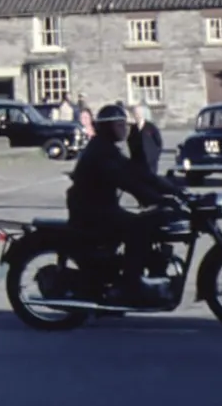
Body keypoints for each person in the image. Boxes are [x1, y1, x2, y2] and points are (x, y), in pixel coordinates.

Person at [66, 102, 186, 303]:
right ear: (106, 127)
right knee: (139, 228)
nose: (123, 129)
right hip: (91, 211)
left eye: (124, 125)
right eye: (119, 125)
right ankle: (131, 284)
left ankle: (140, 275)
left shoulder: (108, 149)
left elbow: (140, 173)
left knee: (148, 222)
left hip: (102, 207)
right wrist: (155, 198)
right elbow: (125, 180)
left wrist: (175, 191)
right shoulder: (100, 152)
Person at [127, 103, 163, 175]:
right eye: (135, 113)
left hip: (150, 161)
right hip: (138, 161)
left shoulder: (151, 127)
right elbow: (130, 141)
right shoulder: (133, 128)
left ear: (142, 114)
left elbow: (159, 142)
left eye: (138, 113)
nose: (136, 115)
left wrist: (155, 155)